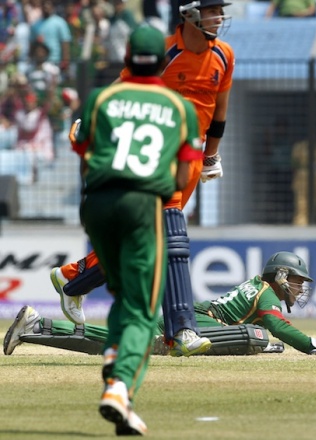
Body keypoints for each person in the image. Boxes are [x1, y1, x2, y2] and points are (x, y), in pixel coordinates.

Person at [50, 0, 235, 358]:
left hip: (190, 155)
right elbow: (122, 90)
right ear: (189, 14)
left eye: (219, 10)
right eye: (211, 10)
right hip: (157, 156)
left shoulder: (224, 55)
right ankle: (182, 329)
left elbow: (219, 113)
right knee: (171, 235)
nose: (219, 17)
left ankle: (73, 278)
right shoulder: (162, 52)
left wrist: (211, 155)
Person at [73, 24, 200, 435]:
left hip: (97, 205)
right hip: (143, 205)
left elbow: (82, 148)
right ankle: (120, 386)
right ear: (163, 63)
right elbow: (183, 175)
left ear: (127, 59)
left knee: (124, 296)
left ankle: (114, 357)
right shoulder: (179, 107)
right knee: (144, 309)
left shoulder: (101, 98)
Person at [4, 252, 316, 357]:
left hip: (196, 318)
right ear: (280, 275)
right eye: (296, 280)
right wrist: (313, 344)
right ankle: (37, 325)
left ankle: (37, 325)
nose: (298, 288)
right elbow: (277, 327)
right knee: (260, 338)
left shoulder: (260, 288)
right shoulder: (265, 293)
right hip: (195, 320)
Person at [291, 137, 316, 226]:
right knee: (302, 203)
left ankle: (311, 223)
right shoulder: (299, 146)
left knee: (315, 203)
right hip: (302, 176)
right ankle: (301, 225)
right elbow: (294, 163)